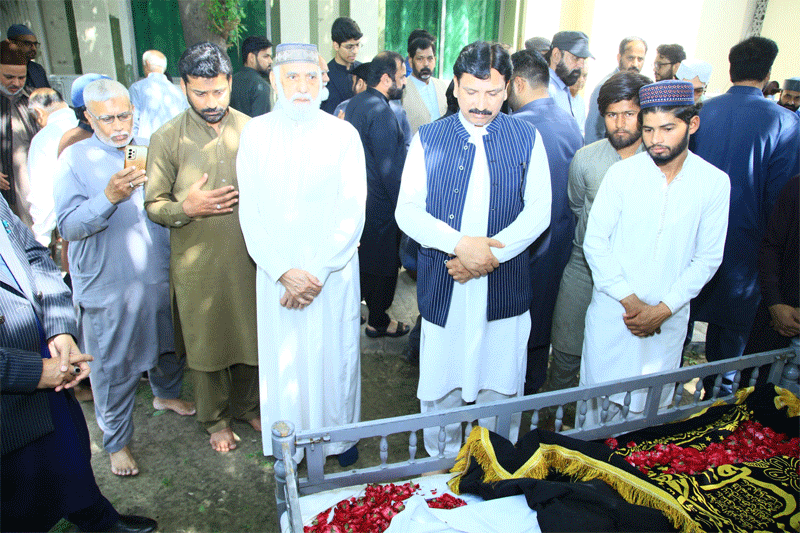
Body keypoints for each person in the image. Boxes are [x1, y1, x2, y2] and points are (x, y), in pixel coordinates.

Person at [395, 41, 551, 456]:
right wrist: (462, 245)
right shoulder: (429, 138)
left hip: (504, 288)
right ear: (456, 87)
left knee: (500, 391)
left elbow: (539, 212)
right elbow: (407, 212)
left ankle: (497, 470)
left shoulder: (527, 137)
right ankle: (439, 468)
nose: (481, 104)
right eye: (471, 92)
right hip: (447, 286)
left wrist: (488, 258)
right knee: (442, 389)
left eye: (493, 92)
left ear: (508, 88)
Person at [54, 78, 194, 476]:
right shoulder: (74, 159)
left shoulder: (147, 147)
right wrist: (108, 197)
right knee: (112, 366)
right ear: (88, 117)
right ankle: (116, 441)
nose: (119, 126)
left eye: (124, 115)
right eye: (108, 118)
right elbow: (69, 226)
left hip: (159, 274)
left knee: (168, 343)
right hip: (109, 285)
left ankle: (165, 394)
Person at [236, 43, 366, 466]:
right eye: (292, 76)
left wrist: (314, 273)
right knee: (285, 361)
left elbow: (352, 212)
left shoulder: (343, 134)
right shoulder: (255, 134)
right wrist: (282, 271)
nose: (302, 86)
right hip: (277, 275)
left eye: (311, 76)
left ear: (324, 81)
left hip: (331, 273)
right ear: (275, 81)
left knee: (335, 357)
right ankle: (288, 446)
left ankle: (339, 441)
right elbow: (250, 213)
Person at [0, 196, 157, 532]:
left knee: (68, 448)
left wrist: (60, 330)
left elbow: (34, 256)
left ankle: (94, 517)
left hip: (39, 350)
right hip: (11, 376)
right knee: (16, 489)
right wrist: (31, 371)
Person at [581, 80, 729, 424]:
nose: (656, 139)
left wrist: (662, 310)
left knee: (648, 420)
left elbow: (708, 258)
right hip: (615, 315)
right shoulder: (621, 174)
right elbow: (595, 242)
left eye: (667, 128)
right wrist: (633, 304)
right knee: (594, 416)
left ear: (691, 124)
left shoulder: (714, 182)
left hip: (667, 321)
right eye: (648, 129)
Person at [145, 42, 260, 453]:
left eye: (218, 91)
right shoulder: (167, 138)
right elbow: (153, 204)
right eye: (199, 93)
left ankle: (249, 405)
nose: (211, 102)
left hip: (250, 258)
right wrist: (186, 207)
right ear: (182, 87)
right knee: (206, 343)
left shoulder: (253, 129)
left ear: (229, 82)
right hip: (198, 263)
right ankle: (214, 420)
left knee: (252, 337)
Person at [690, 37, 799, 392]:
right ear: (768, 75)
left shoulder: (700, 114)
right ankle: (716, 421)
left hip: (691, 243)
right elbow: (779, 201)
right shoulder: (784, 123)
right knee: (728, 361)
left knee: (673, 338)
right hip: (745, 254)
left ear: (730, 67)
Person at [549, 71, 651, 392]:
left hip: (635, 275)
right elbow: (578, 207)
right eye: (611, 114)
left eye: (629, 114)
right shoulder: (585, 159)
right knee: (566, 354)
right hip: (583, 271)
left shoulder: (659, 163)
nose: (620, 123)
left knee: (621, 360)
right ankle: (556, 422)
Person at [508, 49, 583, 395]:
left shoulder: (515, 129)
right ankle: (534, 395)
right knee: (541, 333)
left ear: (518, 83)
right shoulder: (569, 120)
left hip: (523, 250)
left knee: (513, 338)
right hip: (561, 247)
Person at [346, 52, 410, 338]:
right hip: (381, 206)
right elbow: (390, 170)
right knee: (384, 267)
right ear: (386, 79)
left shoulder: (356, 103)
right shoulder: (382, 112)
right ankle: (379, 321)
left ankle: (361, 313)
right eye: (401, 76)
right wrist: (406, 208)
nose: (404, 81)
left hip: (360, 201)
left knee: (366, 263)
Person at [744, 174, 798, 358]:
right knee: (756, 384)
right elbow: (772, 246)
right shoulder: (796, 187)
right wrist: (775, 304)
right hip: (778, 317)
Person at [26, 88, 77, 248]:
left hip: (71, 227)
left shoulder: (44, 138)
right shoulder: (87, 126)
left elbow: (42, 193)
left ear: (38, 112)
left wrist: (42, 238)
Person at [1, 39, 38, 228]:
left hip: (35, 198)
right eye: (9, 77)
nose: (16, 83)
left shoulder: (34, 100)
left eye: (21, 78)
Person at [584, 37, 647, 144]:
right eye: (631, 58)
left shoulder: (642, 87)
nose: (635, 64)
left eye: (640, 59)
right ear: (619, 58)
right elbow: (593, 132)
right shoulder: (604, 87)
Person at [129, 49, 189, 138]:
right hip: (174, 145)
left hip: (147, 144)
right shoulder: (178, 92)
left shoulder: (137, 88)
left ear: (147, 63)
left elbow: (132, 121)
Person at [402, 35, 448, 135]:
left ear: (435, 60)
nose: (426, 64)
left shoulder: (442, 86)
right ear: (410, 61)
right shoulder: (402, 89)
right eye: (420, 59)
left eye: (430, 59)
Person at [545, 31, 593, 121]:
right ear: (556, 55)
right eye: (576, 58)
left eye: (584, 59)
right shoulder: (544, 89)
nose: (581, 66)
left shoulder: (563, 87)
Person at [321, 17, 362, 114]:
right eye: (349, 47)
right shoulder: (325, 76)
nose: (355, 51)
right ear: (336, 46)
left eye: (357, 45)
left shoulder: (363, 71)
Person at [230, 36, 273, 117]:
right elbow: (260, 125)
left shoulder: (230, 81)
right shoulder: (261, 86)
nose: (270, 61)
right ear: (251, 58)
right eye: (266, 56)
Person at [6, 24, 49, 88]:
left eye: (35, 44)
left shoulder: (37, 69)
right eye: (28, 43)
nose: (34, 48)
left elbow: (46, 94)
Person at [570, 66, 588, 134]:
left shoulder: (581, 102)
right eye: (578, 75)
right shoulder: (557, 94)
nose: (581, 80)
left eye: (584, 76)